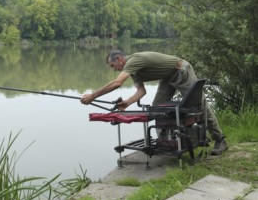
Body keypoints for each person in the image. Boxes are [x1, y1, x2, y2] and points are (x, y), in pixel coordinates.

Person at [80, 50, 228, 156]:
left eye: (113, 66)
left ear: (119, 59)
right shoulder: (134, 71)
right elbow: (141, 92)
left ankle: (220, 139)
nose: (114, 69)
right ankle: (167, 141)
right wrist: (128, 103)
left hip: (180, 70)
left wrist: (93, 95)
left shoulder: (133, 61)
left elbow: (118, 83)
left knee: (199, 105)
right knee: (157, 107)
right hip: (167, 76)